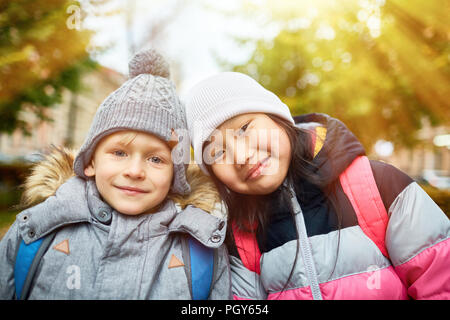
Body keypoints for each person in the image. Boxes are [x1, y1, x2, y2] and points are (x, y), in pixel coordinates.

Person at [184, 71, 450, 300]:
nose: (241, 156)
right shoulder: (241, 235)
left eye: (244, 128)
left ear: (277, 118)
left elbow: (440, 284)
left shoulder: (378, 186)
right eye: (218, 152)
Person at [0, 49, 231, 300]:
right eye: (119, 153)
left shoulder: (202, 250)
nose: (134, 171)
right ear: (90, 163)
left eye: (156, 159)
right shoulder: (36, 231)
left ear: (175, 177)